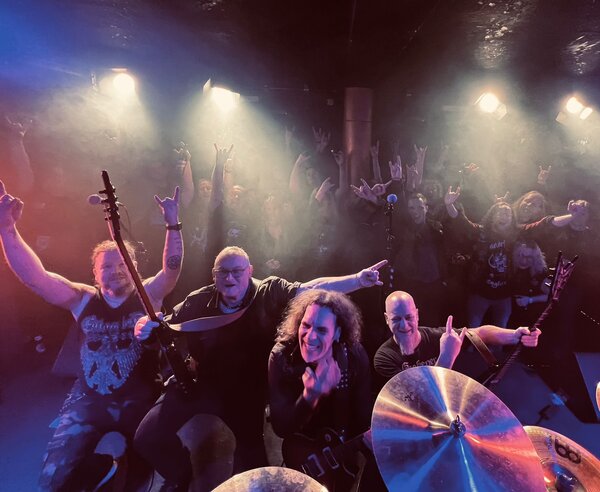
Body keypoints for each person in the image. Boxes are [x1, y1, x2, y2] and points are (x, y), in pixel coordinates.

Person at [133, 243, 387, 490]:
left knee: (252, 473)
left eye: (237, 271)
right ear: (214, 275)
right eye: (223, 272)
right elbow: (162, 329)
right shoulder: (197, 301)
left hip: (245, 394)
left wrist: (357, 280)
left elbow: (312, 288)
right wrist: (145, 329)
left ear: (250, 271)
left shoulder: (270, 291)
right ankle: (181, 476)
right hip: (200, 384)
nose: (230, 277)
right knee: (146, 438)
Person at [0, 179, 183, 491]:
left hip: (139, 400)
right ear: (95, 274)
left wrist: (173, 224)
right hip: (87, 401)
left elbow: (171, 271)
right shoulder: (82, 298)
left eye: (123, 264)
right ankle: (98, 465)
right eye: (106, 267)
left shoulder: (148, 293)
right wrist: (7, 229)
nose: (116, 270)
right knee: (53, 481)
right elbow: (36, 278)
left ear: (134, 267)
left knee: (144, 477)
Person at [268, 290, 382, 490]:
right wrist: (310, 396)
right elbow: (281, 428)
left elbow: (362, 418)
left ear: (337, 333)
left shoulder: (354, 357)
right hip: (301, 453)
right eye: (306, 325)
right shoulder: (282, 357)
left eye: (321, 330)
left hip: (341, 452)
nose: (310, 336)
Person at [373, 291, 541, 381]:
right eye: (396, 319)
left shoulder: (435, 336)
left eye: (409, 317)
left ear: (417, 315)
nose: (404, 325)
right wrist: (447, 356)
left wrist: (515, 335)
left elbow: (479, 333)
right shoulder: (384, 358)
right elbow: (419, 396)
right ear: (387, 319)